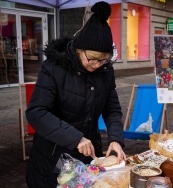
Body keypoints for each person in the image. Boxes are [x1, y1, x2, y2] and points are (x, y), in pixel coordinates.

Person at [25, 2, 126, 187]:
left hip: (89, 156)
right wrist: (75, 138)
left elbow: (112, 110)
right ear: (79, 49)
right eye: (92, 59)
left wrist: (116, 139)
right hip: (52, 156)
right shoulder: (54, 68)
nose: (96, 65)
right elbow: (36, 112)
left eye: (103, 60)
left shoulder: (105, 72)